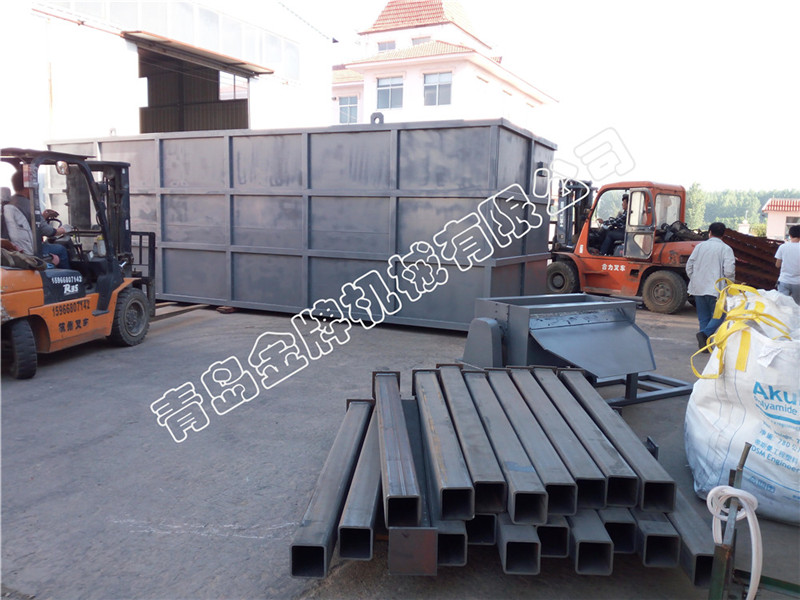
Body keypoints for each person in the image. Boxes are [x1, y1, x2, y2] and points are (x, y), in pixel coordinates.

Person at [4, 170, 70, 268]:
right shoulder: (29, 205)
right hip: (31, 250)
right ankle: (70, 276)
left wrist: (42, 217)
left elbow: (23, 225)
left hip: (14, 249)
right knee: (61, 250)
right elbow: (47, 231)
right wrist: (64, 229)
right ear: (28, 186)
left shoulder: (10, 203)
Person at [686, 222, 736, 349]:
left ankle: (704, 345)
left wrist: (695, 279)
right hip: (716, 289)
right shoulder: (726, 249)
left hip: (698, 287)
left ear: (710, 233)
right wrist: (729, 284)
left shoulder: (699, 247)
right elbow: (729, 271)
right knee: (720, 315)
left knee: (703, 318)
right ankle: (704, 335)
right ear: (723, 235)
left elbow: (689, 266)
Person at [775, 224, 800, 305]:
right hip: (798, 282)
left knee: (782, 306)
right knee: (797, 306)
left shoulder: (783, 247)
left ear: (790, 235)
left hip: (784, 281)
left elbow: (777, 265)